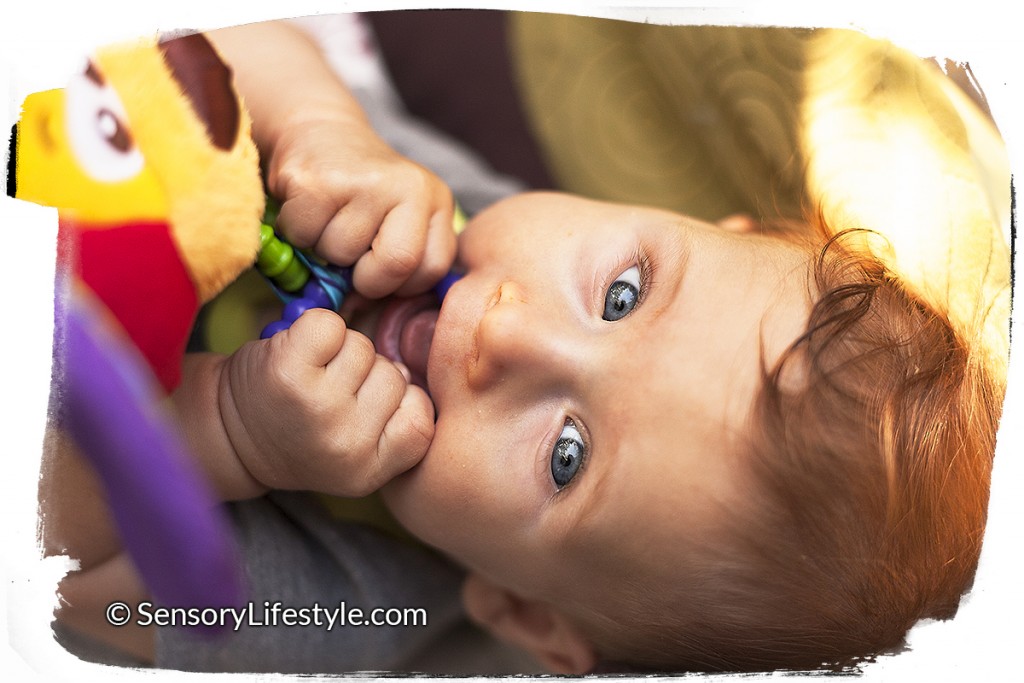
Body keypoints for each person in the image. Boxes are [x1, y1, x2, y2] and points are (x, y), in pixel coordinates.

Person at [45, 14, 1007, 674]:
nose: (507, 328)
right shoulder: (444, 206)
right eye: (622, 294)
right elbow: (210, 43)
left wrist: (227, 431)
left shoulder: (354, 603)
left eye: (566, 454)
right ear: (707, 223)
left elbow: (65, 579)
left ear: (529, 615)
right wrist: (316, 121)